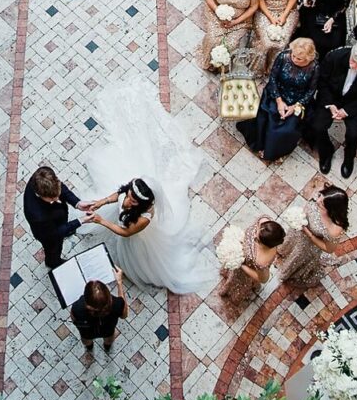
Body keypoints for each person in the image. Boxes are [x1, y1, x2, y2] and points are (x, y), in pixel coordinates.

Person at [84, 79, 217, 293]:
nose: (128, 200)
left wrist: (101, 221)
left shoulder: (145, 218)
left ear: (143, 204)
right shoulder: (129, 191)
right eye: (129, 195)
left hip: (131, 240)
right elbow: (115, 195)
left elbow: (125, 233)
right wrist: (99, 203)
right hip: (121, 222)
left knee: (130, 257)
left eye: (133, 200)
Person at [305, 41, 357, 177]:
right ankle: (327, 151)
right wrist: (330, 104)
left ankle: (348, 158)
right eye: (353, 60)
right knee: (317, 127)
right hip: (331, 98)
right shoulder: (334, 57)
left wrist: (347, 111)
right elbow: (321, 82)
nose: (353, 65)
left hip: (354, 103)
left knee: (354, 134)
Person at [238, 38, 318, 162]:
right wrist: (279, 101)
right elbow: (273, 78)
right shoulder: (283, 56)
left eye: (299, 58)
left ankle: (274, 150)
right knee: (266, 117)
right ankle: (261, 143)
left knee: (288, 129)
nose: (294, 59)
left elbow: (310, 91)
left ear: (308, 58)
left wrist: (295, 106)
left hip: (297, 100)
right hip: (276, 94)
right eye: (293, 55)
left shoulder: (314, 68)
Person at [278, 186, 348, 288]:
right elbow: (307, 208)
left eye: (322, 204)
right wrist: (298, 217)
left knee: (296, 257)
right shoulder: (319, 197)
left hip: (308, 245)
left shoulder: (335, 227)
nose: (317, 200)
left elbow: (328, 249)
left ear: (332, 209)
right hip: (297, 231)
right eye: (320, 196)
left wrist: (308, 233)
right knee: (287, 244)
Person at [23, 165, 90, 269]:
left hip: (57, 219)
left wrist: (77, 203)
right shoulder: (37, 216)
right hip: (47, 234)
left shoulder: (44, 174)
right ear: (41, 195)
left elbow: (60, 186)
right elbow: (55, 233)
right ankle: (53, 262)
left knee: (64, 227)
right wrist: (81, 221)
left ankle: (67, 230)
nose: (58, 199)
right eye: (53, 199)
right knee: (54, 248)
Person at [199, 0, 260, 67]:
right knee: (213, 40)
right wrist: (218, 12)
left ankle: (225, 65)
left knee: (231, 44)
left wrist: (235, 22)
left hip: (241, 20)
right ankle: (210, 62)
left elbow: (253, 6)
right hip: (216, 15)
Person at [217, 218, 284, 307]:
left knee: (237, 282)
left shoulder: (262, 261)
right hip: (239, 252)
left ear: (267, 245)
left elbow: (263, 279)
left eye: (258, 240)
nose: (254, 236)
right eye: (257, 229)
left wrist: (241, 265)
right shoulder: (264, 221)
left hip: (244, 271)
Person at [71, 272, 129, 353]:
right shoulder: (117, 304)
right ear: (108, 294)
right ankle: (107, 347)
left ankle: (89, 348)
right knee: (109, 339)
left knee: (86, 341)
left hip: (87, 331)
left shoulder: (77, 307)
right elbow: (124, 315)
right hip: (108, 329)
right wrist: (119, 283)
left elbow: (74, 320)